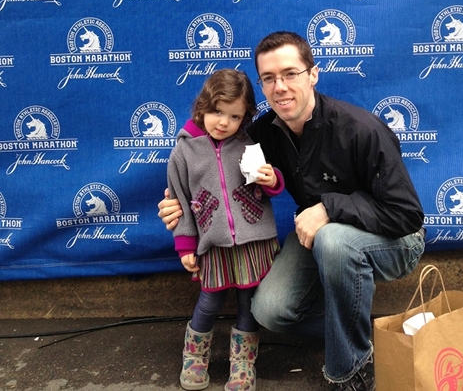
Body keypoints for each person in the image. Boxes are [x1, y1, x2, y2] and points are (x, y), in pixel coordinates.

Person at [159, 32, 425, 391]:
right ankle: (358, 331)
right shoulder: (264, 133)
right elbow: (211, 145)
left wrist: (329, 208)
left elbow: (407, 215)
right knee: (268, 310)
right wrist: (177, 202)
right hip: (319, 232)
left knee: (333, 240)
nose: (280, 86)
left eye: (290, 74)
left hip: (396, 240)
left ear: (312, 74)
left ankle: (350, 373)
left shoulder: (361, 129)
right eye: (269, 78)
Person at [166, 68, 284, 391]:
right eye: (218, 111)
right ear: (203, 106)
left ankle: (243, 364)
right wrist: (185, 246)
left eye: (234, 116)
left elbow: (268, 183)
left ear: (244, 117)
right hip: (214, 244)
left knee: (248, 304)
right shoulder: (183, 153)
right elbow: (179, 201)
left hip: (253, 242)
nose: (224, 122)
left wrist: (271, 179)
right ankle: (194, 356)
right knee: (209, 302)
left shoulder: (249, 144)